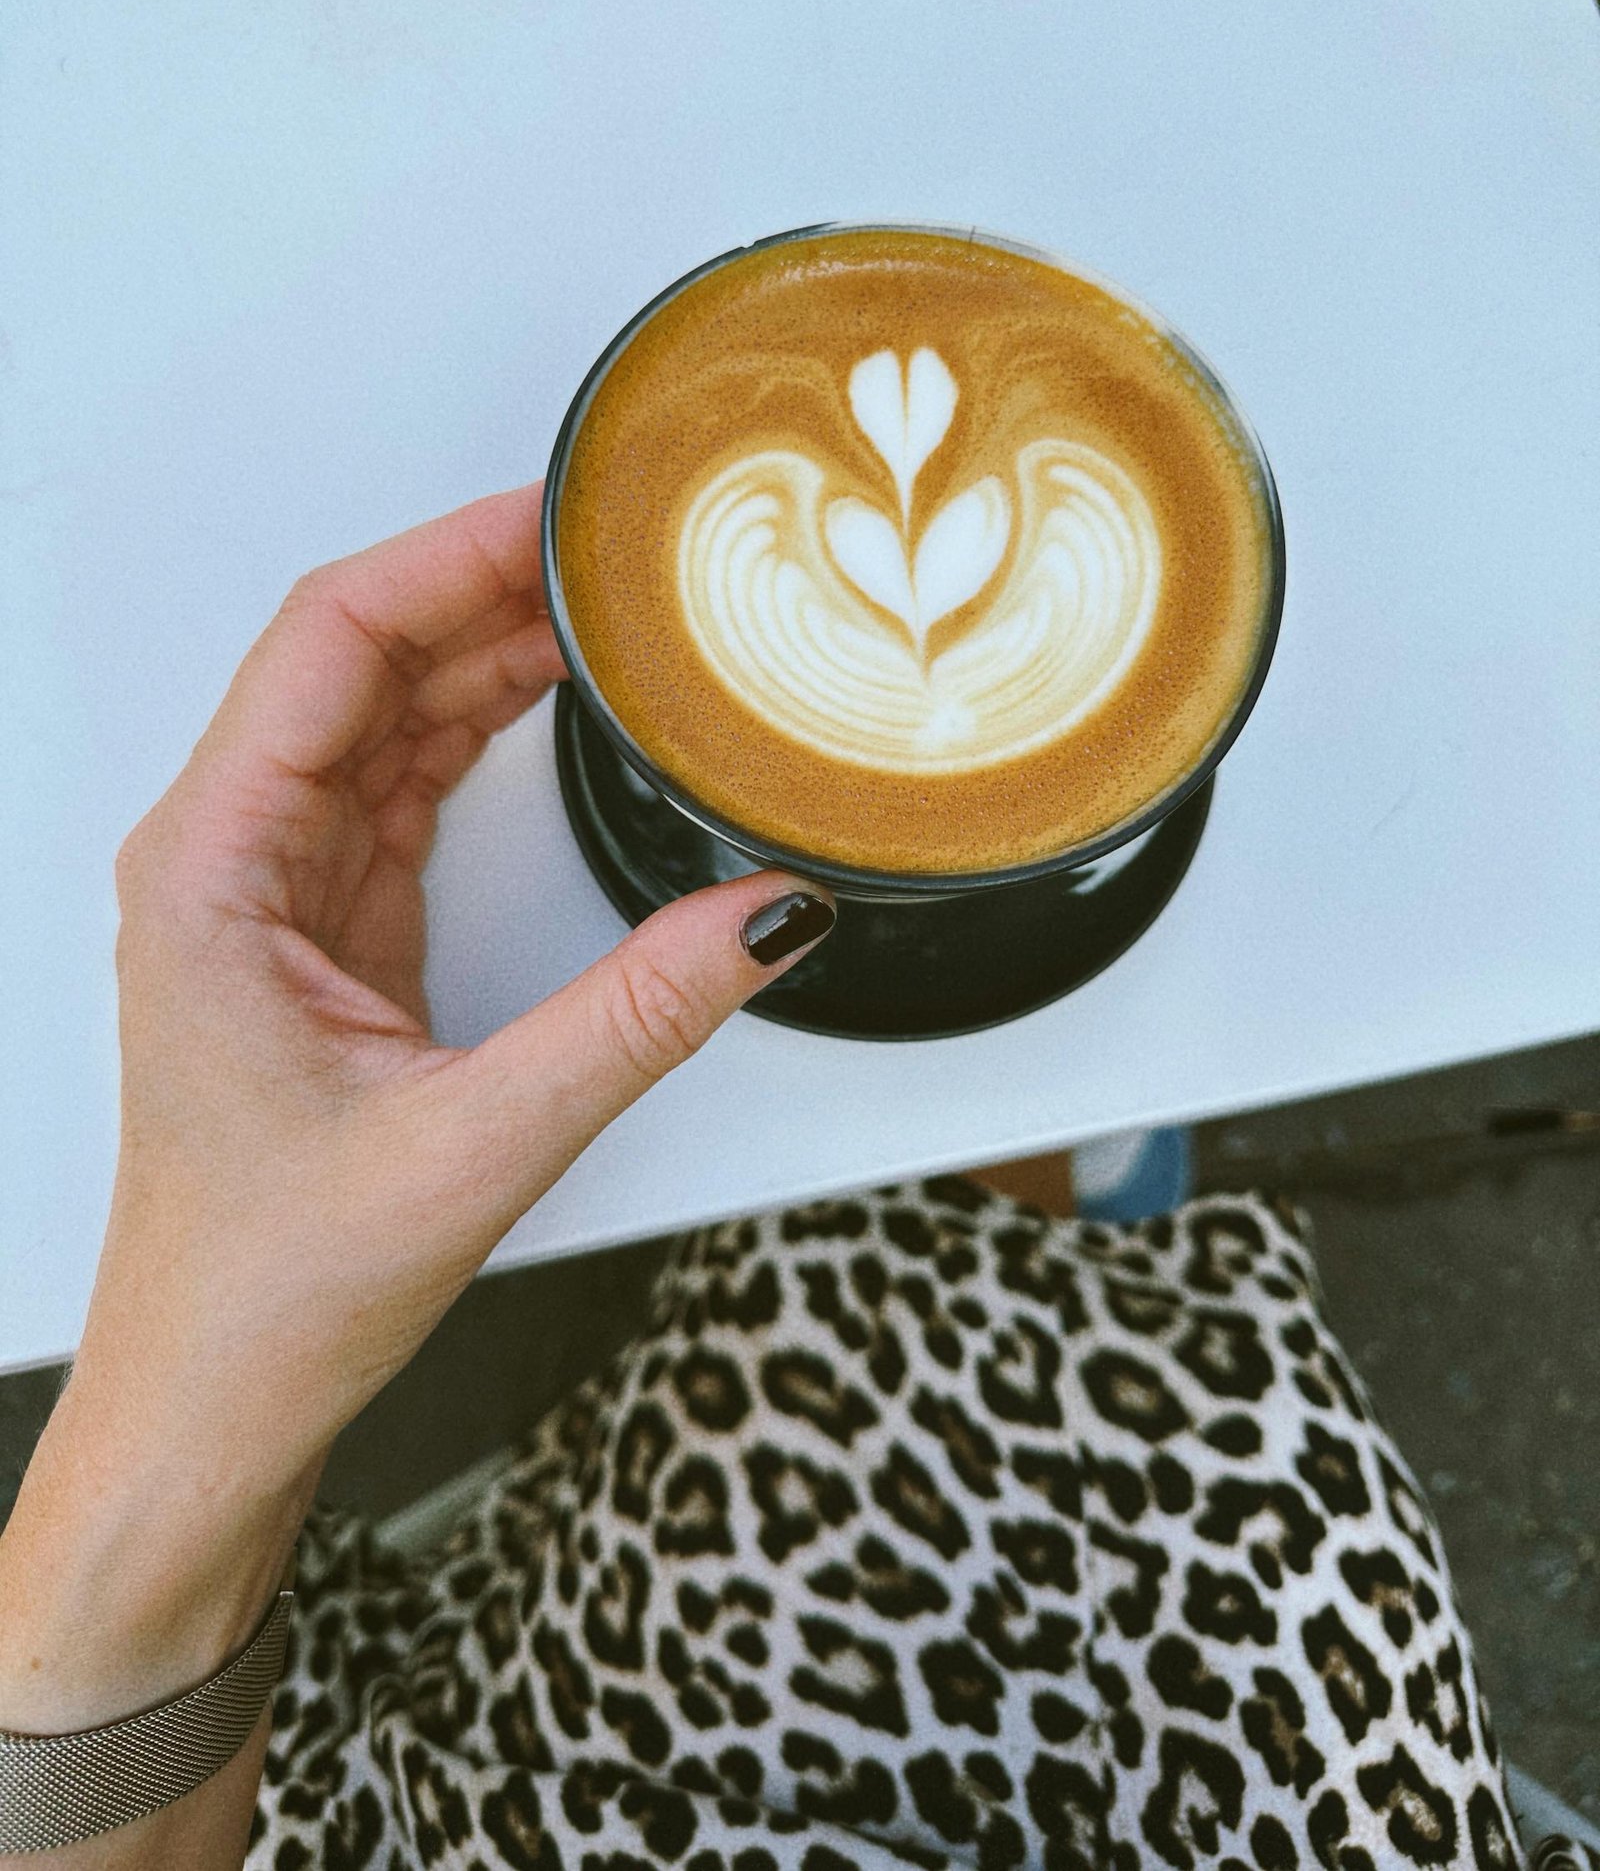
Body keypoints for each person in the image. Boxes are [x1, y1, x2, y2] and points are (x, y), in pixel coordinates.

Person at [0, 487, 1531, 1868]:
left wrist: (181, 1422)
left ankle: (1027, 1170)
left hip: (390, 1789)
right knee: (1038, 1370)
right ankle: (1051, 1164)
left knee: (874, 1315)